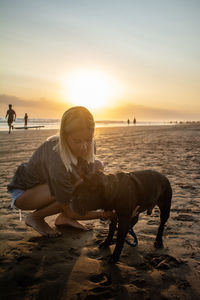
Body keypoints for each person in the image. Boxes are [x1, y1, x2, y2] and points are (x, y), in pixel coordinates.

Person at [8, 106, 114, 237]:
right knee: (74, 185)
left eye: (88, 139)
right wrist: (104, 215)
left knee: (97, 166)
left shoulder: (90, 145)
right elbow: (69, 204)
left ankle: (64, 219)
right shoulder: (54, 150)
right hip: (24, 193)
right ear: (64, 136)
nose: (84, 146)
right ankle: (35, 217)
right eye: (77, 141)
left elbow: (89, 185)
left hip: (51, 184)